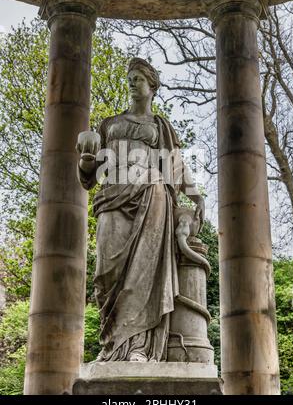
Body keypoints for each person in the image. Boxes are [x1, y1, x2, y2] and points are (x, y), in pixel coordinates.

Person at [77, 57, 205, 362]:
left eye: (138, 78)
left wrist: (196, 196)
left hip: (152, 194)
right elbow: (91, 177)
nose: (132, 83)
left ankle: (137, 348)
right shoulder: (108, 125)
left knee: (144, 272)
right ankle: (112, 346)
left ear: (152, 86)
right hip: (113, 197)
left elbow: (174, 165)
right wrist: (85, 163)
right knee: (106, 274)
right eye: (130, 78)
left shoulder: (160, 126)